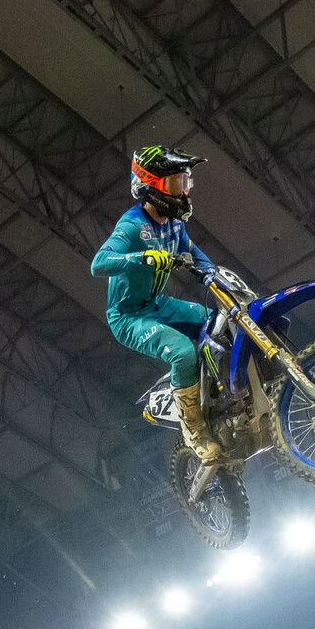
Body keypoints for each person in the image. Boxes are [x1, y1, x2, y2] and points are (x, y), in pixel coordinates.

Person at [93, 146, 224, 469]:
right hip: (128, 316)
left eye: (185, 183)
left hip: (158, 304)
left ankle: (218, 395)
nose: (183, 193)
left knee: (217, 321)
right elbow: (99, 263)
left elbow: (194, 253)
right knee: (181, 351)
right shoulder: (132, 225)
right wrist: (140, 257)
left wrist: (215, 276)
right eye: (175, 185)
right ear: (150, 187)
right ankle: (194, 430)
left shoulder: (175, 226)